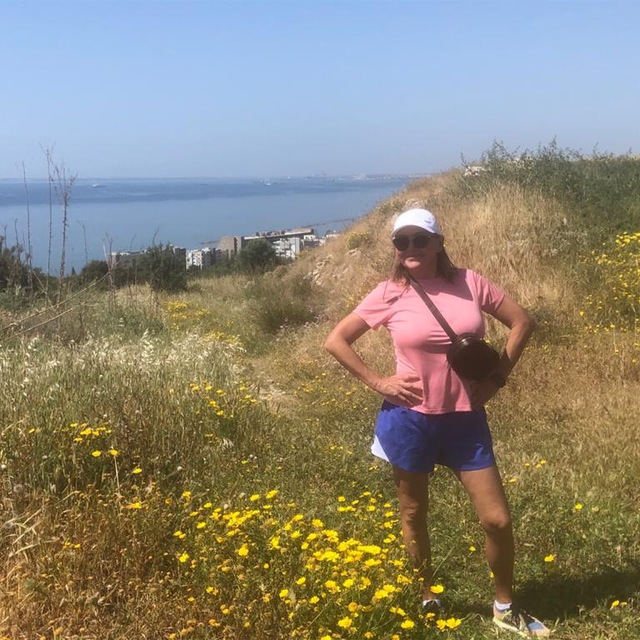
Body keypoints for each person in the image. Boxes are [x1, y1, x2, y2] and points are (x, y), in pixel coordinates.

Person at [323, 208, 550, 637]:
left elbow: (523, 321)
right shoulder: (389, 292)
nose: (410, 248)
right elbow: (336, 340)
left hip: (465, 420)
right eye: (401, 241)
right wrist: (379, 381)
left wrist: (497, 379)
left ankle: (504, 606)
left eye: (420, 239)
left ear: (439, 243)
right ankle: (428, 593)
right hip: (410, 420)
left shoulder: (470, 282)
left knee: (497, 520)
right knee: (413, 513)